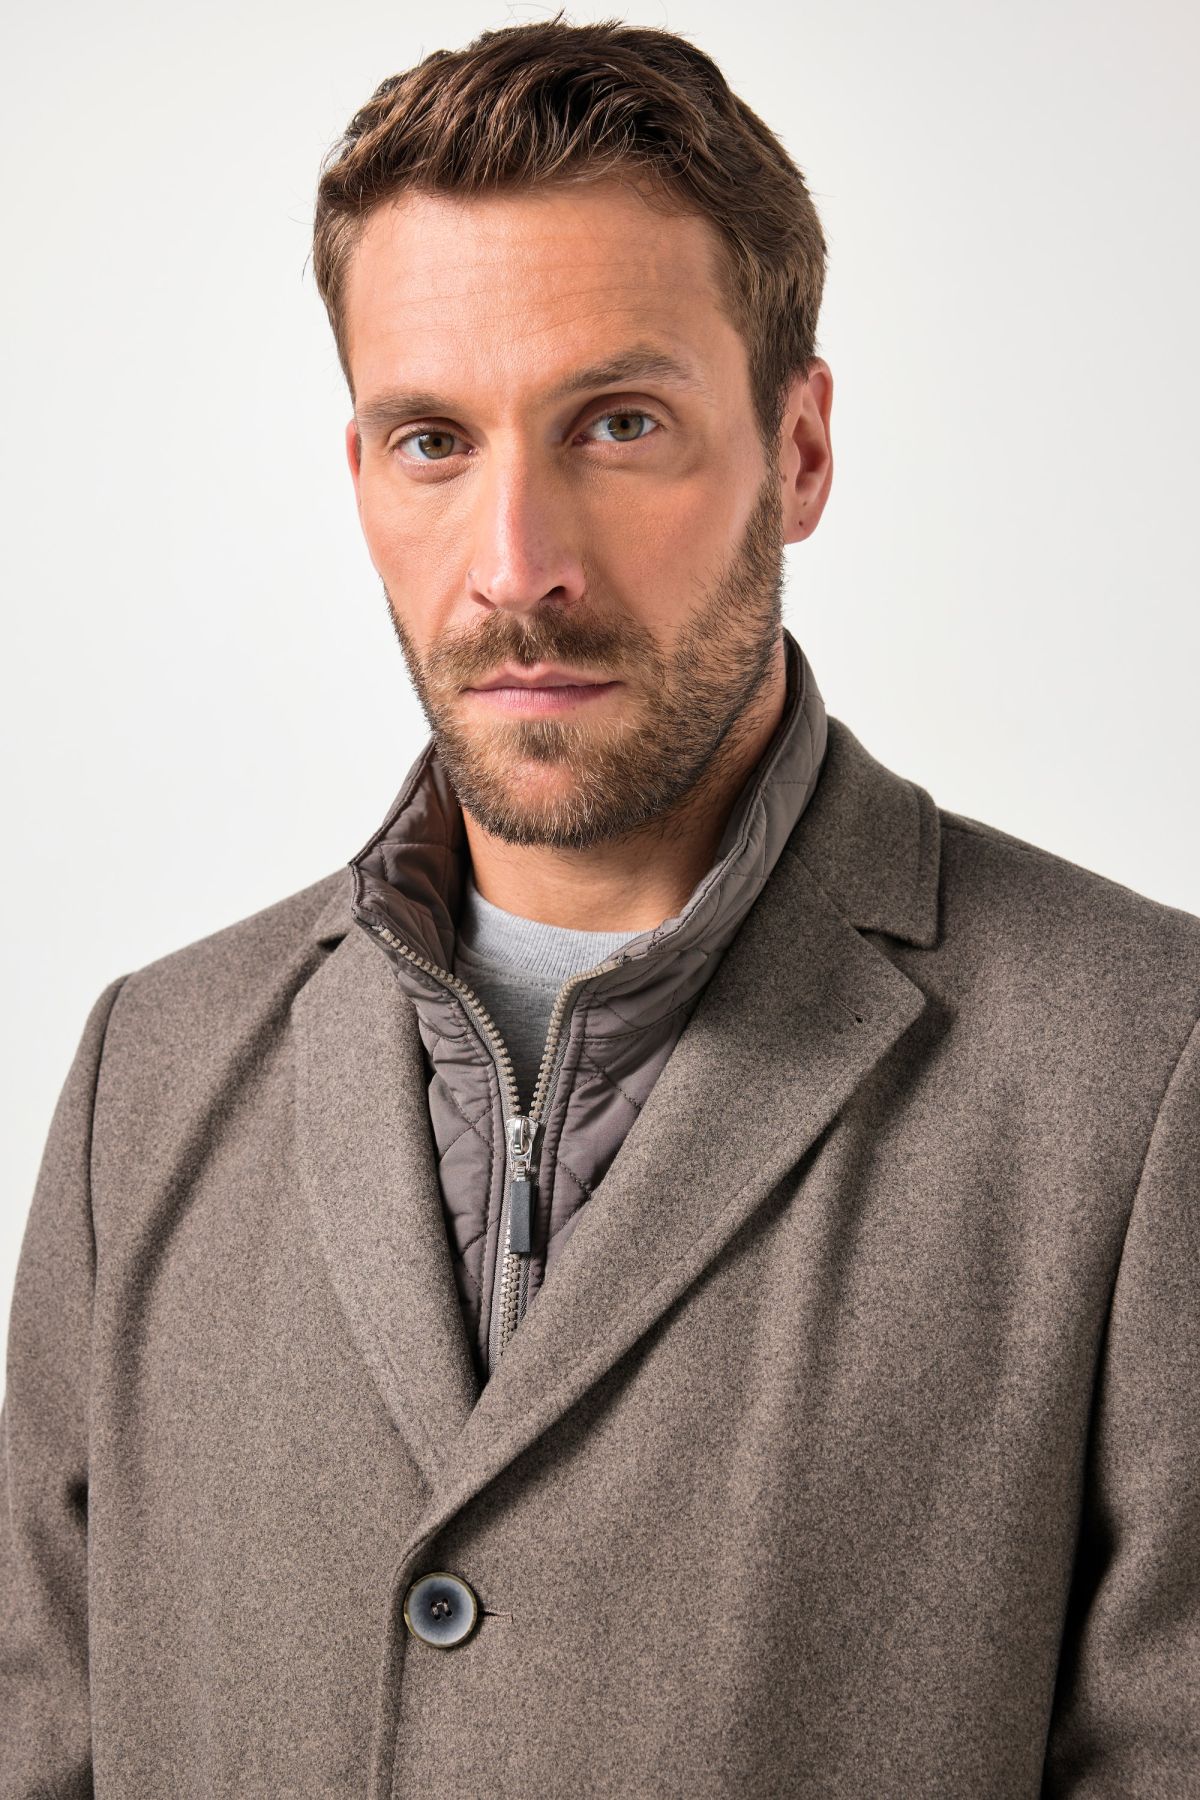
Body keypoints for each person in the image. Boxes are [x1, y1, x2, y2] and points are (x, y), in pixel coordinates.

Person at [2, 16, 1197, 1797]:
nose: (518, 566)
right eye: (433, 439)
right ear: (359, 476)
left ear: (799, 449)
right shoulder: (146, 1078)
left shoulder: (1146, 1067)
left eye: (619, 424)